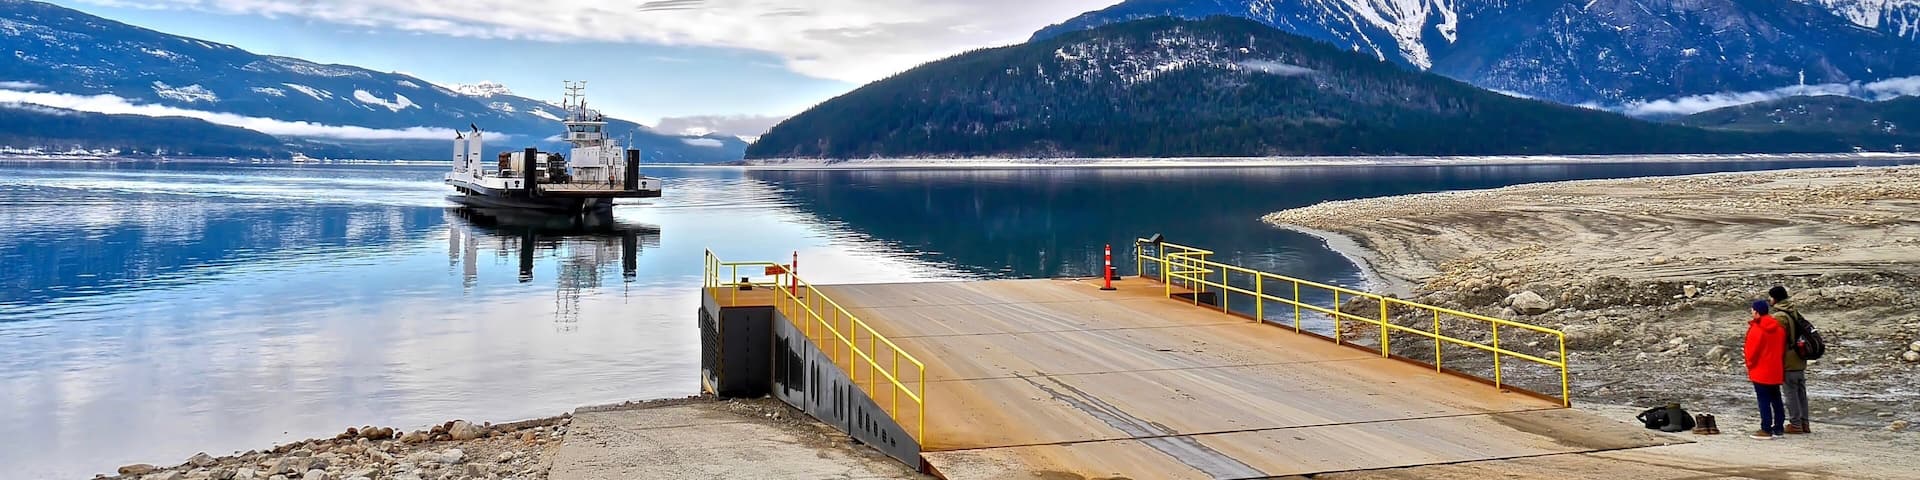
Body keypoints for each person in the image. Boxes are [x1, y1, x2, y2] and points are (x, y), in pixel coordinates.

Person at [1769, 286, 1811, 434]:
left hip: (1789, 360)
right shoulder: (1793, 310)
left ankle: (1795, 424)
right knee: (1801, 392)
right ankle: (1804, 423)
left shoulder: (1780, 316)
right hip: (1800, 358)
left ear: (1774, 298)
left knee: (1790, 393)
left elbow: (1777, 340)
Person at [1744, 299, 1787, 440]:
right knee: (1776, 398)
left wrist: (1749, 365)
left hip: (1761, 370)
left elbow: (1751, 352)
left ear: (1756, 312)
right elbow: (1782, 349)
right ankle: (1779, 427)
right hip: (1775, 368)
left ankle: (1766, 429)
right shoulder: (1779, 328)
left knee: (1763, 400)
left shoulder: (1757, 329)